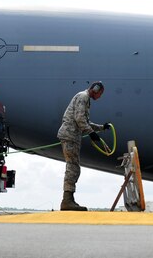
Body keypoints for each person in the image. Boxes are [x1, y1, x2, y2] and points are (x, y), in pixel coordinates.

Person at [57, 81, 111, 211]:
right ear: (95, 89)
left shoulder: (84, 98)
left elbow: (85, 122)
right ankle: (67, 201)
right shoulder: (83, 97)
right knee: (73, 167)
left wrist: (101, 128)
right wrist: (91, 133)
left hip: (72, 136)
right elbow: (79, 119)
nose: (100, 97)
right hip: (70, 136)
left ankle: (69, 199)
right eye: (100, 93)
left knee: (74, 166)